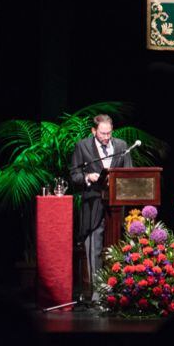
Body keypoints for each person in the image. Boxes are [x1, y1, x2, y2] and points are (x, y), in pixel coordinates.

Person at [68, 114, 133, 300]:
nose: (106, 137)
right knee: (94, 247)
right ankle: (97, 291)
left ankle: (120, 288)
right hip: (93, 202)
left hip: (116, 206)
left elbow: (128, 173)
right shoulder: (82, 146)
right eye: (102, 134)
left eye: (109, 133)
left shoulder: (121, 145)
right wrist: (88, 177)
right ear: (94, 131)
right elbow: (74, 174)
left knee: (118, 246)